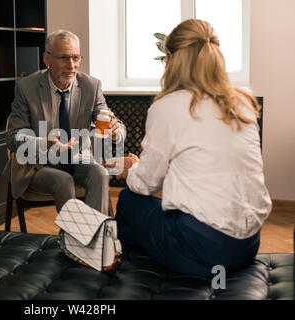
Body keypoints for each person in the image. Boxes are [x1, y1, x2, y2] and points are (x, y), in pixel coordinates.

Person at [107, 19, 272, 277]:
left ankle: (109, 255)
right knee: (152, 219)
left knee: (130, 198)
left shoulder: (169, 106)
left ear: (172, 59)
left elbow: (146, 185)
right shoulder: (241, 104)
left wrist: (130, 168)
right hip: (248, 245)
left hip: (201, 253)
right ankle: (121, 250)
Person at [4, 29, 125, 216]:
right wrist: (45, 143)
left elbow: (108, 119)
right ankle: (77, 240)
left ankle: (92, 238)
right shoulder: (26, 87)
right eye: (64, 58)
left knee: (99, 173)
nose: (71, 65)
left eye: (76, 58)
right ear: (47, 59)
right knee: (63, 180)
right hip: (38, 165)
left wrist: (116, 131)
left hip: (78, 161)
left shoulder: (91, 86)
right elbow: (14, 138)